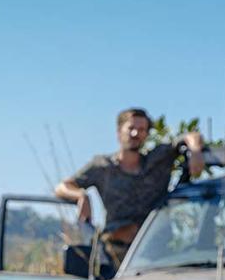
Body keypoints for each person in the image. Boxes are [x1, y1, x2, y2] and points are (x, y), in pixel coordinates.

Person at [54, 108, 206, 270]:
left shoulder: (159, 159)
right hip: (115, 253)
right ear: (119, 132)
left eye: (141, 130)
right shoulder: (103, 166)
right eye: (131, 128)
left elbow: (191, 136)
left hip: (158, 253)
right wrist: (80, 195)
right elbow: (62, 187)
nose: (135, 134)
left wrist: (196, 151)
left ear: (147, 134)